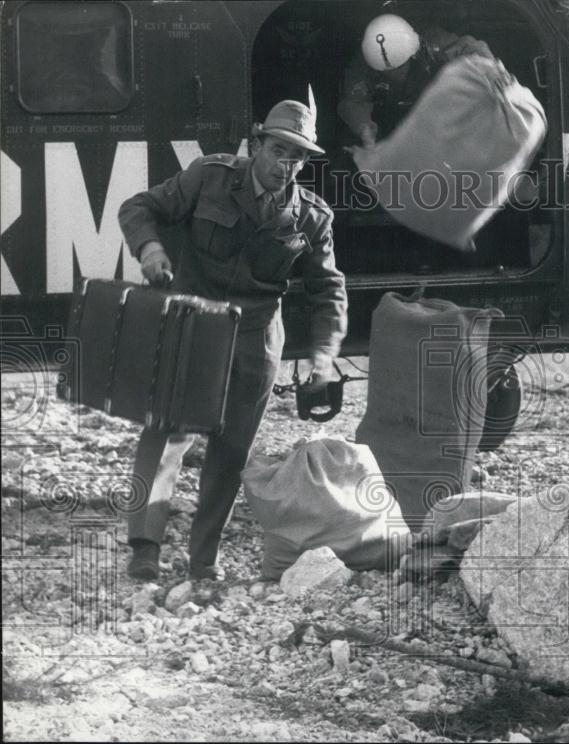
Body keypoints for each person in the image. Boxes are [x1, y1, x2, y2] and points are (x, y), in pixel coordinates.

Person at [118, 95, 347, 582]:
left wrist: (324, 358)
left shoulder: (311, 217)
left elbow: (330, 289)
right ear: (257, 142)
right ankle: (145, 548)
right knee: (165, 433)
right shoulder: (210, 176)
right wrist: (152, 251)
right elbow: (139, 207)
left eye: (298, 156)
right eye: (279, 149)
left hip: (256, 338)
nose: (286, 164)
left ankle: (203, 560)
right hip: (193, 322)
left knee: (230, 451)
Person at [338, 13, 494, 147]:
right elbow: (353, 100)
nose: (394, 74)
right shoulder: (363, 65)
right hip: (395, 117)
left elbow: (470, 49)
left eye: (399, 67)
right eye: (387, 71)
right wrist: (363, 127)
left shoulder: (432, 42)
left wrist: (487, 74)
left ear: (413, 53)